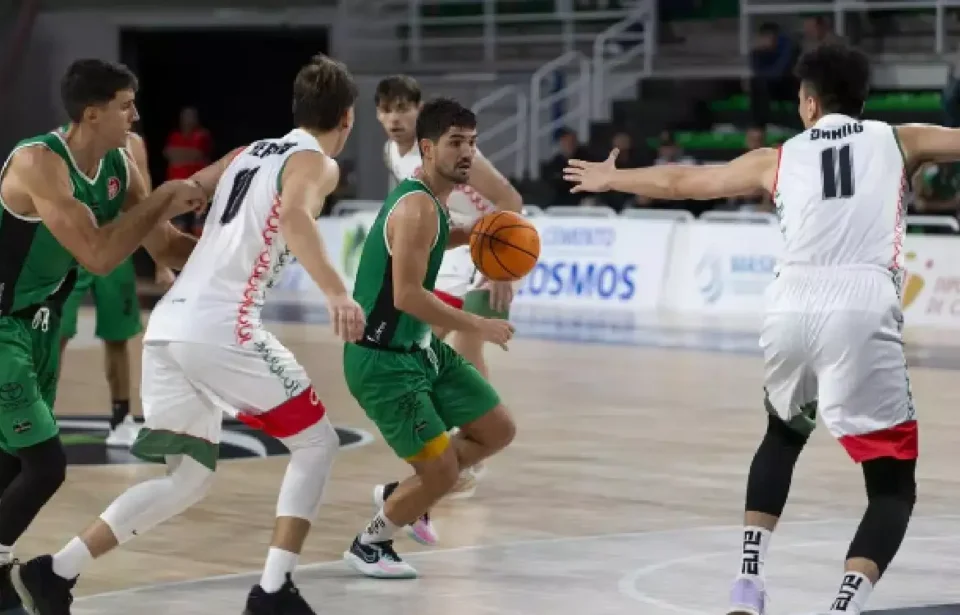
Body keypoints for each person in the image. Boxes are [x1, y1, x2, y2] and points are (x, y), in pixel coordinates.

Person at [563, 42, 954, 615]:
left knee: (783, 433)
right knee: (892, 488)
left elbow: (682, 183)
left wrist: (612, 179)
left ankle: (747, 581)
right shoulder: (902, 138)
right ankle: (843, 606)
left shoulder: (778, 157)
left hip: (790, 300)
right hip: (862, 302)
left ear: (812, 104)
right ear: (862, 101)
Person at [14, 53, 366, 615]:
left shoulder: (246, 153)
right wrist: (336, 292)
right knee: (317, 443)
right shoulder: (316, 163)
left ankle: (52, 573)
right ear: (346, 120)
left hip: (169, 327)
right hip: (221, 326)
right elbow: (297, 219)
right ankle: (273, 592)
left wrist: (198, 233)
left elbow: (184, 191)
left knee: (186, 479)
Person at [0, 58, 205, 612]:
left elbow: (161, 247)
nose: (135, 115)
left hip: (39, 325)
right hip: (2, 326)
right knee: (46, 465)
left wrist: (237, 249)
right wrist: (166, 196)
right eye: (125, 105)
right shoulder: (39, 162)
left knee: (13, 462)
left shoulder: (118, 163)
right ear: (92, 113)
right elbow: (96, 251)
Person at [342, 98, 517, 579]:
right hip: (382, 360)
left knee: (497, 430)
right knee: (441, 473)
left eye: (472, 144)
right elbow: (406, 297)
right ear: (426, 148)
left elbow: (445, 232)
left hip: (419, 349)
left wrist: (484, 233)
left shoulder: (433, 202)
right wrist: (477, 325)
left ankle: (404, 492)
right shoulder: (417, 207)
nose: (467, 154)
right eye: (455, 143)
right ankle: (370, 541)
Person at [375, 75, 522, 522]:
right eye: (388, 109)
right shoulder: (394, 154)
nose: (396, 117)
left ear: (420, 111)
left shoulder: (458, 154)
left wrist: (504, 267)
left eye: (404, 107)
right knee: (423, 349)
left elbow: (511, 200)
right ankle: (451, 454)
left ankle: (468, 458)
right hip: (451, 252)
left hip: (490, 252)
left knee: (466, 346)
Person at [57, 130, 176, 447]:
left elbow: (148, 202)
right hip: (71, 251)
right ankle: (37, 416)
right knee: (55, 335)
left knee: (118, 336)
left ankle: (121, 418)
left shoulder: (134, 144)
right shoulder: (61, 145)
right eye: (124, 104)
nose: (132, 112)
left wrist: (161, 262)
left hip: (116, 249)